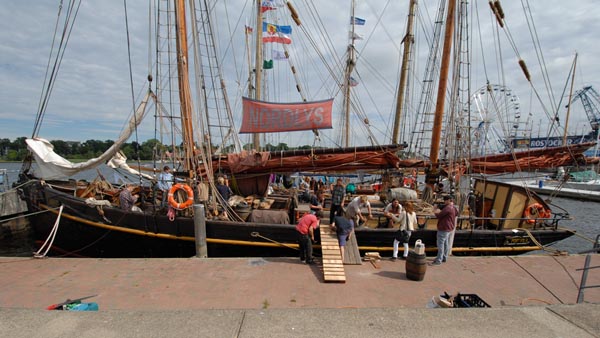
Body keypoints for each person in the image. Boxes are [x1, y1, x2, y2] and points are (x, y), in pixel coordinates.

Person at [431, 195, 458, 265]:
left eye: (445, 200)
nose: (444, 201)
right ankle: (444, 257)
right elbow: (456, 214)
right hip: (449, 228)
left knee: (440, 244)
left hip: (444, 227)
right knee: (446, 243)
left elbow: (439, 215)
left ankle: (439, 259)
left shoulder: (448, 208)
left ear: (449, 200)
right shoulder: (454, 207)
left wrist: (434, 210)